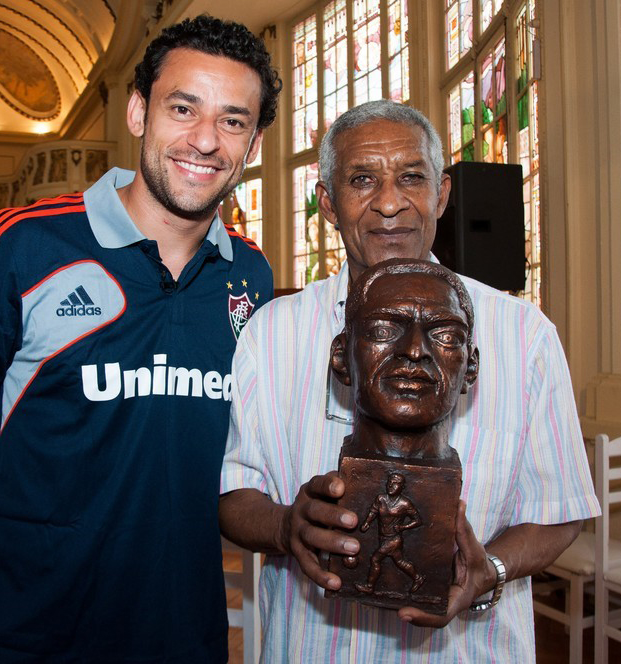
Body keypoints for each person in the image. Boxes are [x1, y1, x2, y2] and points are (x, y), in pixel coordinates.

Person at [0, 15, 280, 663]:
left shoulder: (251, 276)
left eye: (232, 121)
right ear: (138, 112)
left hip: (185, 636)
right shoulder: (26, 244)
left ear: (253, 143)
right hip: (32, 637)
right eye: (183, 108)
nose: (205, 139)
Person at [219, 100, 600, 661]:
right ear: (327, 202)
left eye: (411, 178)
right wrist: (285, 528)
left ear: (442, 195)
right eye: (362, 180)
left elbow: (559, 508)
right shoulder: (271, 334)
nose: (389, 202)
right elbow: (234, 492)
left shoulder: (525, 336)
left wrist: (488, 570)